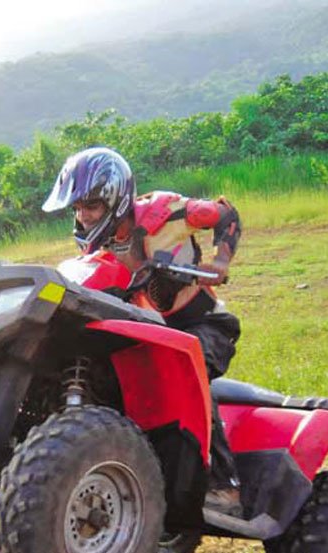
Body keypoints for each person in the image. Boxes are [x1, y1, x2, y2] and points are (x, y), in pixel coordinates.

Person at [42, 146, 243, 517]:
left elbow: (226, 213)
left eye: (91, 206)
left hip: (204, 325)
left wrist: (222, 260)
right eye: (77, 209)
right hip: (154, 329)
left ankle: (224, 485)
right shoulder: (98, 248)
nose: (83, 217)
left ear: (115, 198)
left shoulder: (165, 212)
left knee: (188, 368)